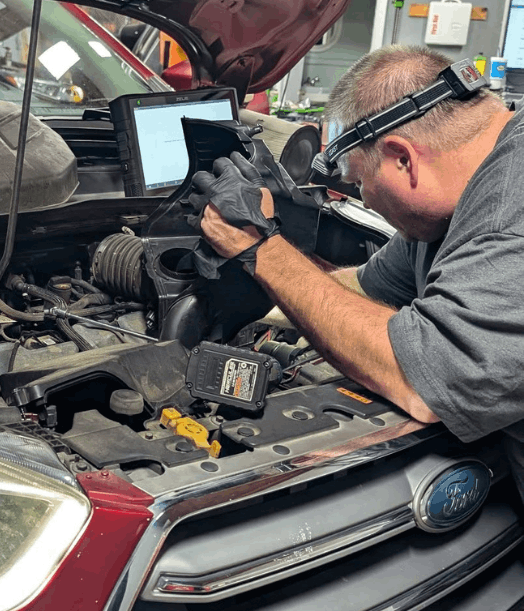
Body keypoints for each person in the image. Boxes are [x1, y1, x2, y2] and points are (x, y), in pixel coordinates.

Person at [193, 44, 524, 499]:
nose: (365, 199)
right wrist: (248, 283)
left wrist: (265, 251)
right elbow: (360, 288)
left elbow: (423, 381)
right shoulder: (447, 214)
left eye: (359, 181)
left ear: (402, 158)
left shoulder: (510, 218)